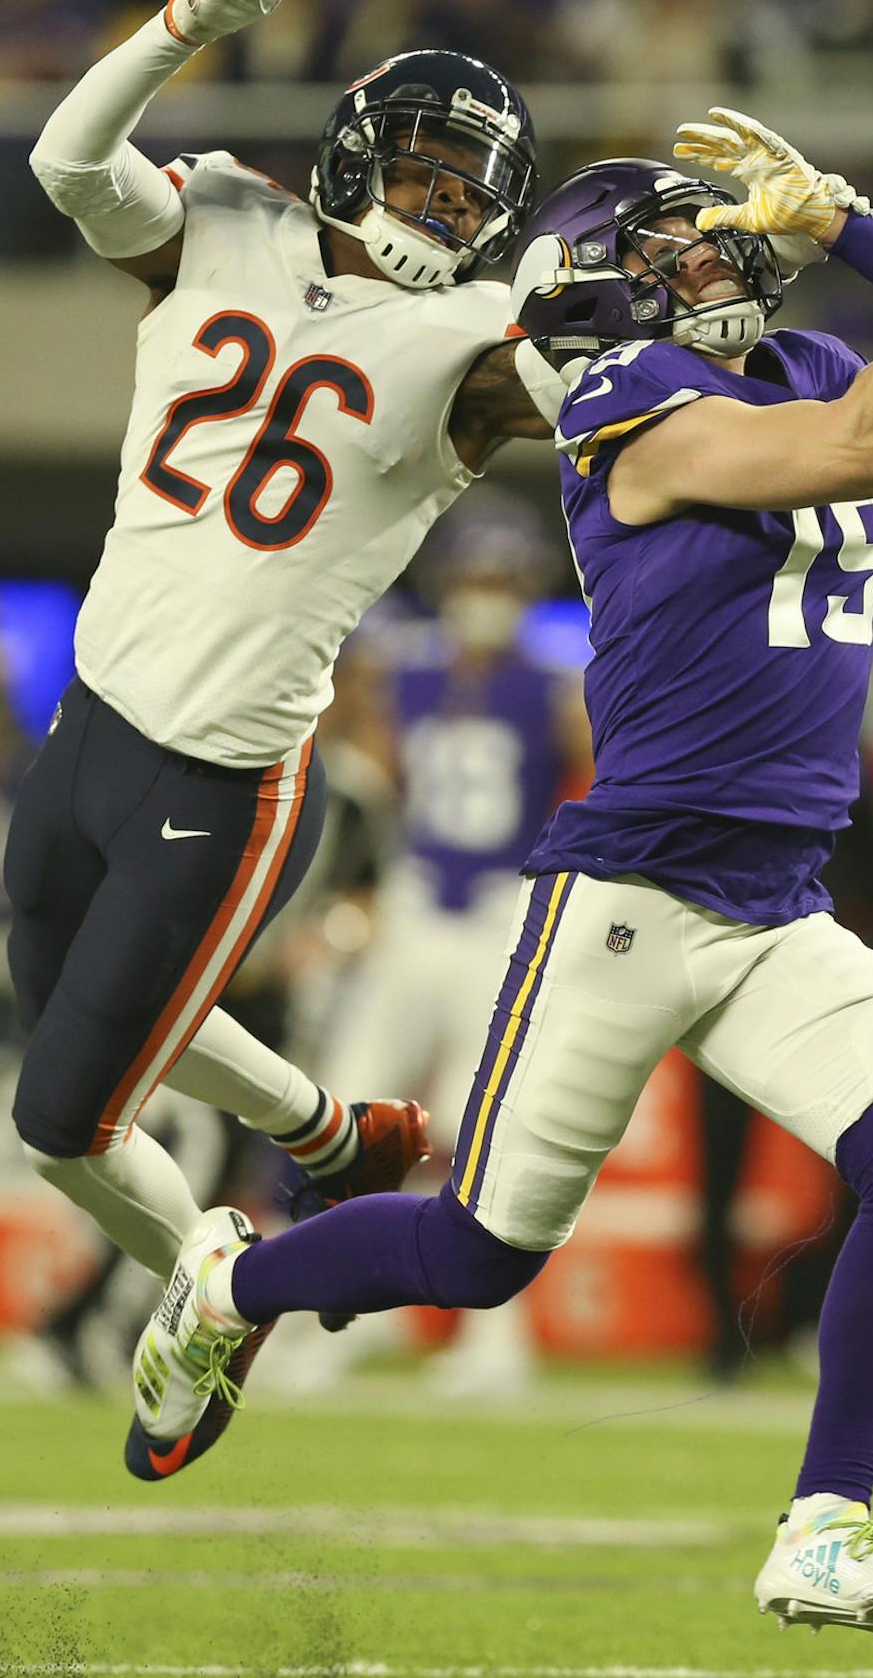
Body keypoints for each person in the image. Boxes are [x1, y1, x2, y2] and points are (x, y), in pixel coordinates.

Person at [137, 87, 873, 1642]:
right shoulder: (626, 400)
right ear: (597, 283)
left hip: (778, 900)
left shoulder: (805, 364)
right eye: (676, 243)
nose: (716, 254)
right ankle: (230, 1287)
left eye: (720, 235)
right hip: (635, 896)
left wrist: (850, 225)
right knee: (479, 1250)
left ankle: (826, 1528)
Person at [9, 0, 553, 1472]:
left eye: (472, 193)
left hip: (224, 776)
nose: (445, 208)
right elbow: (66, 158)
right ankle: (332, 1134)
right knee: (88, 1019)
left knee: (63, 1124)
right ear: (357, 154)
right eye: (426, 173)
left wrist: (667, 288)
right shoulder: (229, 222)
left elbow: (608, 382)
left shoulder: (476, 342)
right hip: (92, 717)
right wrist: (184, 19)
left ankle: (214, 1291)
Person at [317, 500, 590, 1396]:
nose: (486, 595)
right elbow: (360, 769)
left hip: (499, 915)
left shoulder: (555, 691)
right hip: (412, 903)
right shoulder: (401, 676)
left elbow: (601, 775)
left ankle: (496, 1335)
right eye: (476, 577)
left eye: (502, 580)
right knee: (350, 1109)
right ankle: (342, 1311)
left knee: (488, 1127)